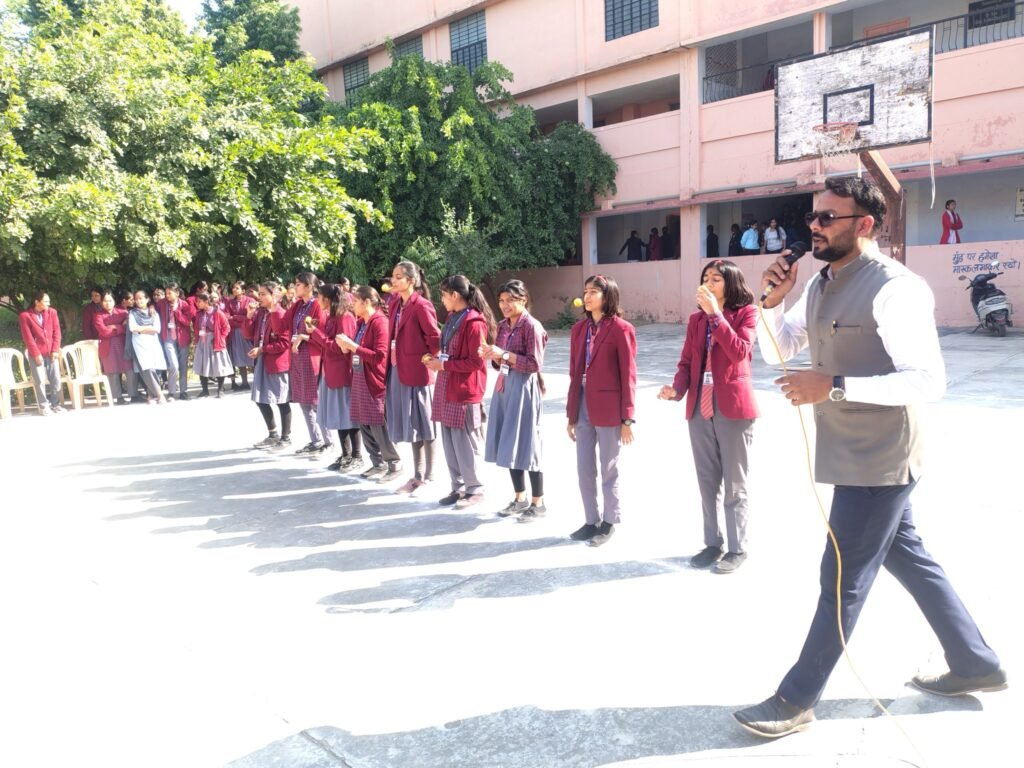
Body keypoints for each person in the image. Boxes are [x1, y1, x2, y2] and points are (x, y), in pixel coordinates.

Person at [733, 176, 1007, 739]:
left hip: (882, 456)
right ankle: (975, 661)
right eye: (812, 217)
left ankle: (795, 698)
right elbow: (781, 351)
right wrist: (771, 304)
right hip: (846, 447)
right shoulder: (820, 283)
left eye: (827, 218)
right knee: (908, 556)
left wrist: (833, 385)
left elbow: (927, 381)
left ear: (864, 224)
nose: (814, 226)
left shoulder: (896, 288)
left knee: (841, 575)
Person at [658, 260, 758, 573]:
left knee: (734, 483)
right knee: (707, 480)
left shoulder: (746, 313)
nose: (708, 283)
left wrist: (716, 314)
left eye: (716, 279)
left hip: (732, 406)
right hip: (700, 404)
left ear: (731, 283)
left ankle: (737, 548)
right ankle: (713, 543)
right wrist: (676, 390)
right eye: (705, 278)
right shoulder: (696, 320)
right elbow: (687, 362)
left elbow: (740, 352)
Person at [566, 274, 637, 547]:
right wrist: (571, 414)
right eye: (585, 291)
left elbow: (628, 375)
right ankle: (590, 520)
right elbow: (574, 373)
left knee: (608, 467)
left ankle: (609, 521)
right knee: (584, 467)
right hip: (582, 402)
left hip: (609, 408)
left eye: (594, 291)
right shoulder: (578, 330)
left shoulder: (621, 329)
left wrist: (627, 418)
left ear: (608, 297)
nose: (587, 296)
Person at [423, 275, 494, 508]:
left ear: (455, 295)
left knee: (464, 443)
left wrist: (443, 365)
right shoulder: (453, 317)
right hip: (446, 386)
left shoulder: (474, 322)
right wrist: (437, 361)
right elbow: (448, 352)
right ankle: (458, 486)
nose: (442, 300)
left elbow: (475, 362)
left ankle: (475, 488)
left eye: (444, 295)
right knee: (450, 442)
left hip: (464, 390)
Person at [481, 279, 548, 521]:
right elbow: (500, 361)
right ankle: (519, 498)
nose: (505, 305)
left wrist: (505, 354)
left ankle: (538, 502)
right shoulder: (502, 326)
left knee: (528, 443)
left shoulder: (532, 326)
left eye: (510, 300)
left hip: (524, 386)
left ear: (523, 300)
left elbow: (534, 364)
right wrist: (492, 355)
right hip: (504, 385)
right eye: (501, 300)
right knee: (508, 441)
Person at [386, 260, 441, 491]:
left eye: (399, 277)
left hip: (418, 372)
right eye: (393, 276)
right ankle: (417, 474)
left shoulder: (421, 305)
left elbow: (435, 338)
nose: (393, 280)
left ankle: (429, 474)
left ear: (411, 280)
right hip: (398, 369)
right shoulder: (395, 304)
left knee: (425, 423)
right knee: (411, 424)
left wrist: (429, 360)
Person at [338, 286, 400, 479]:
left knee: (377, 423)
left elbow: (380, 356)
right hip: (359, 376)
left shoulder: (380, 322)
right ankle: (377, 462)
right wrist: (346, 346)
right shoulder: (361, 322)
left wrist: (353, 347)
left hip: (373, 379)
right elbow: (357, 349)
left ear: (366, 302)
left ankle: (394, 463)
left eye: (356, 301)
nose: (352, 305)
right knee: (363, 421)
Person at [307, 283, 362, 472]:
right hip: (330, 371)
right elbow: (327, 341)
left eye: (319, 297)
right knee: (338, 415)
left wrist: (317, 334)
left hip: (342, 373)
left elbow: (342, 348)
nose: (317, 300)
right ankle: (345, 454)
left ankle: (357, 455)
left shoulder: (345, 317)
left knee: (348, 416)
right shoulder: (331, 316)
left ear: (327, 299)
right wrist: (317, 330)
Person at [285, 272, 330, 456]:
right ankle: (315, 439)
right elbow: (281, 325)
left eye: (298, 284)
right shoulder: (298, 305)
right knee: (303, 401)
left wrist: (304, 337)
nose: (295, 287)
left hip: (311, 356)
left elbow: (321, 334)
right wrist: (275, 305)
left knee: (315, 401)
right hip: (297, 358)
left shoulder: (316, 305)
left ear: (309, 287)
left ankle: (328, 441)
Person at [244, 281, 293, 449]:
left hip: (276, 362)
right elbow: (247, 334)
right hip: (262, 361)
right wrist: (249, 316)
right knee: (259, 398)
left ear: (274, 296)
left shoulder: (280, 313)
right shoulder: (261, 313)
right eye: (259, 293)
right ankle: (273, 434)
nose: (260, 297)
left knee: (281, 400)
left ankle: (286, 437)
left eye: (264, 294)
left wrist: (263, 349)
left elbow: (284, 343)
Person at [19, 290, 64, 415]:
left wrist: (55, 349)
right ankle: (44, 406)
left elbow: (57, 332)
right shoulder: (25, 316)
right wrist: (36, 354)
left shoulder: (52, 312)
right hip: (37, 353)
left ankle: (56, 404)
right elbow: (28, 337)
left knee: (55, 378)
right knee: (39, 380)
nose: (48, 304)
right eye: (46, 301)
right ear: (37, 302)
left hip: (51, 352)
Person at [126, 290, 167, 404]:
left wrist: (141, 329)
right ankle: (160, 395)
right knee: (147, 368)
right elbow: (133, 328)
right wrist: (149, 328)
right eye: (136, 299)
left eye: (141, 298)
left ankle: (150, 394)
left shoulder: (153, 313)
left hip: (153, 343)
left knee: (156, 368)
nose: (138, 301)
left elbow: (157, 329)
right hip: (139, 345)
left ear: (147, 299)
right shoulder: (132, 313)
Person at [154, 283, 193, 401]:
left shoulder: (184, 304)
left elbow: (187, 322)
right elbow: (153, 308)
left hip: (182, 338)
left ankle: (183, 391)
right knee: (173, 366)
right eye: (166, 293)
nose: (167, 295)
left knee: (183, 366)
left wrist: (177, 312)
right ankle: (171, 392)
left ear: (177, 293)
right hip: (168, 337)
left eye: (169, 293)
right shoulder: (161, 303)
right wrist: (151, 307)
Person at [92, 291, 133, 404]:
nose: (107, 303)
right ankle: (117, 397)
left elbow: (128, 328)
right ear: (102, 302)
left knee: (130, 369)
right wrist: (119, 328)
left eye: (110, 300)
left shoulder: (123, 312)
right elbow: (103, 332)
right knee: (112, 371)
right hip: (107, 346)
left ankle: (134, 395)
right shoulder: (98, 315)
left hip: (123, 344)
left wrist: (113, 327)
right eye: (105, 301)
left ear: (114, 301)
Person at [191, 292, 232, 398]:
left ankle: (220, 389)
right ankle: (205, 390)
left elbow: (227, 327)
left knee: (219, 365)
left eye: (199, 301)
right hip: (202, 341)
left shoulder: (217, 313)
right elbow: (197, 328)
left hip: (215, 341)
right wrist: (196, 340)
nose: (197, 303)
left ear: (206, 302)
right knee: (201, 364)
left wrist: (220, 338)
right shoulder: (199, 314)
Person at [226, 281, 254, 390]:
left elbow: (251, 316)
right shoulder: (230, 302)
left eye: (237, 288)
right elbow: (227, 316)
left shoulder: (250, 301)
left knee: (252, 357)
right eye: (233, 287)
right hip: (234, 333)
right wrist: (240, 319)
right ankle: (244, 383)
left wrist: (235, 317)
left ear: (243, 290)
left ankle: (257, 382)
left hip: (247, 332)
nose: (234, 289)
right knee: (238, 357)